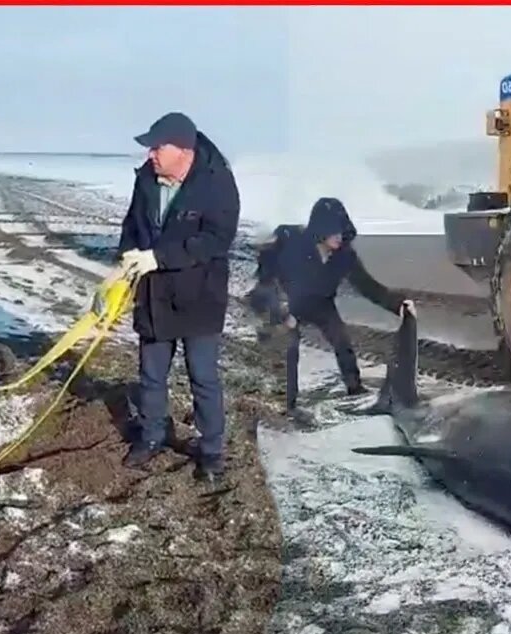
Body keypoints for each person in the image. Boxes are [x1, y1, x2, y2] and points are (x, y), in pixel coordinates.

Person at [115, 112, 239, 484]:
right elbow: (131, 225)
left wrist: (159, 258)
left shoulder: (217, 184)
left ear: (183, 150)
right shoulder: (147, 181)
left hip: (199, 297)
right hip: (153, 296)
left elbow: (217, 240)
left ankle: (212, 449)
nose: (151, 154)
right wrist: (125, 259)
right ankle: (152, 435)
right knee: (151, 374)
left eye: (157, 147)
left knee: (203, 377)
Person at [255, 197, 414, 421]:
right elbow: (271, 280)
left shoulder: (344, 256)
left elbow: (368, 287)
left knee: (342, 341)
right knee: (288, 346)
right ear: (321, 230)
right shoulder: (295, 246)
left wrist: (398, 305)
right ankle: (288, 403)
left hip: (321, 303)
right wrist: (282, 313)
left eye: (342, 232)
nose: (339, 237)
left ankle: (354, 388)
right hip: (289, 300)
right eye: (334, 232)